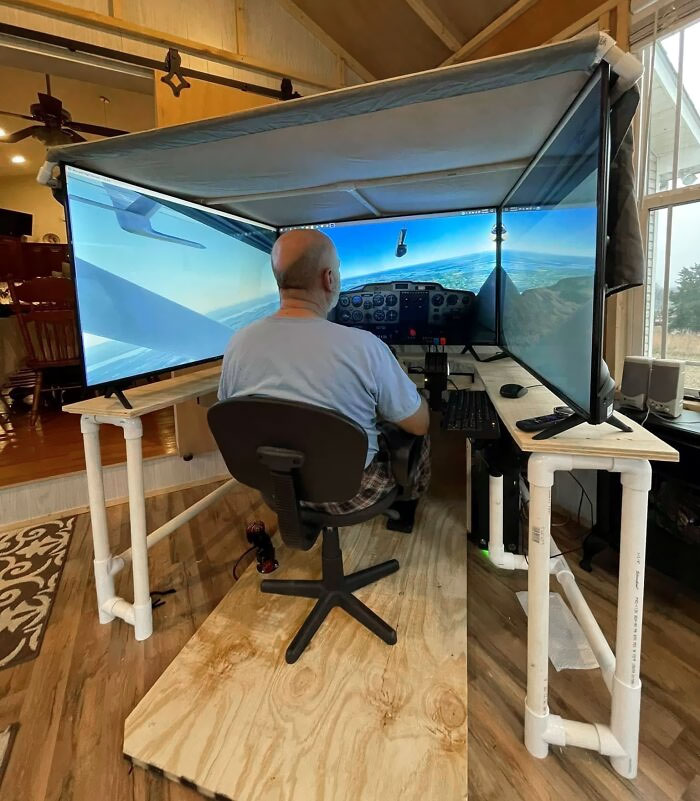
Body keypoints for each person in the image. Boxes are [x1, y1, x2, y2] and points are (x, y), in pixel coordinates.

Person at [218, 228, 431, 528]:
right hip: (351, 490)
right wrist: (409, 394)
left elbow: (235, 416)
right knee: (415, 419)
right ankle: (407, 504)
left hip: (276, 485)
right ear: (328, 278)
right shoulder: (365, 346)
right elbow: (418, 424)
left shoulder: (238, 343)